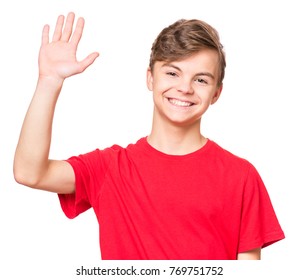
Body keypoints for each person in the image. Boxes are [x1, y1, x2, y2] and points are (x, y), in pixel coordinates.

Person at [13, 12, 285, 260]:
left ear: (216, 93)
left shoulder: (241, 176)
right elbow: (29, 173)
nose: (185, 88)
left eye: (200, 79)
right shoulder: (111, 168)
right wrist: (49, 82)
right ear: (150, 79)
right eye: (172, 73)